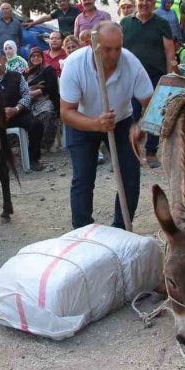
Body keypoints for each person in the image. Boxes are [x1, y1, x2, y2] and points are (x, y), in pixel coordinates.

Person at [60, 21, 153, 229]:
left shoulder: (131, 63)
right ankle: (83, 231)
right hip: (82, 122)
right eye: (107, 49)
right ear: (94, 46)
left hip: (121, 122)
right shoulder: (74, 65)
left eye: (118, 48)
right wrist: (95, 124)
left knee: (129, 176)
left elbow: (151, 102)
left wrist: (141, 126)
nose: (114, 55)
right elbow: (66, 112)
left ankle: (122, 229)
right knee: (83, 177)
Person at [121, 0, 175, 168]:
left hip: (156, 77)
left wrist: (169, 77)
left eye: (148, 0)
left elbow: (169, 52)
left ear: (154, 2)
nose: (144, 3)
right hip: (131, 78)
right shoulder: (125, 23)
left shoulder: (162, 23)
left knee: (155, 115)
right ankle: (132, 153)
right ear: (135, 1)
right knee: (131, 114)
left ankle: (151, 152)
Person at [0, 48, 44, 171]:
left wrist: (16, 109)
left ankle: (33, 159)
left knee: (36, 125)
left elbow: (26, 95)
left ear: (4, 59)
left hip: (18, 113)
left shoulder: (16, 76)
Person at [24, 47, 60, 151]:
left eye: (38, 56)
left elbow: (51, 86)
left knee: (47, 114)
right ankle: (29, 144)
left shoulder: (48, 69)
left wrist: (37, 91)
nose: (35, 58)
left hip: (45, 99)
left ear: (42, 57)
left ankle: (45, 144)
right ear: (29, 58)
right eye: (33, 56)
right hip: (29, 101)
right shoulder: (26, 72)